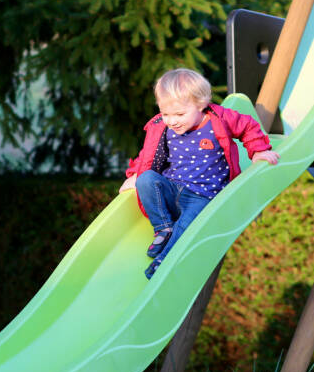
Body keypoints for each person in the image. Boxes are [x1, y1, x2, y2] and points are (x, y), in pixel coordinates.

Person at [119, 68, 279, 279]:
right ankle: (163, 228)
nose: (172, 120)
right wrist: (134, 175)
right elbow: (149, 153)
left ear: (201, 104)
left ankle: (164, 262)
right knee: (146, 180)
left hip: (202, 196)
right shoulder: (163, 127)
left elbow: (248, 126)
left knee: (187, 225)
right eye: (165, 113)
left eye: (179, 114)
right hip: (172, 186)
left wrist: (258, 150)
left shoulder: (219, 119)